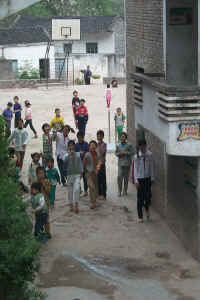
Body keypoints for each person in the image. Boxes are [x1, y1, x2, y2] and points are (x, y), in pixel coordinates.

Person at [134, 139, 154, 223]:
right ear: (139, 147)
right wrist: (136, 180)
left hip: (148, 178)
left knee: (148, 196)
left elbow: (151, 166)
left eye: (143, 146)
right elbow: (135, 168)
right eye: (140, 146)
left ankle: (146, 208)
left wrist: (152, 177)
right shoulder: (137, 156)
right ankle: (140, 216)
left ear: (145, 146)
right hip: (140, 179)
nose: (142, 147)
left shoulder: (150, 154)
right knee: (140, 198)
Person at [63, 140, 83, 213]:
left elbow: (80, 163)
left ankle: (76, 204)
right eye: (70, 145)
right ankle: (71, 204)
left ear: (74, 146)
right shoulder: (66, 155)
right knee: (70, 191)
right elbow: (64, 165)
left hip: (77, 174)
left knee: (77, 189)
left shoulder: (77, 154)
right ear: (68, 147)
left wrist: (81, 172)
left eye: (72, 145)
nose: (71, 147)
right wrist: (69, 155)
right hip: (69, 175)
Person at [83, 141, 101, 209]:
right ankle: (92, 202)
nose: (93, 146)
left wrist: (97, 169)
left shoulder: (97, 155)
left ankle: (94, 200)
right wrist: (84, 172)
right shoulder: (87, 154)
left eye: (94, 145)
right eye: (91, 145)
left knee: (95, 187)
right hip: (88, 173)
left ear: (96, 147)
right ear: (89, 147)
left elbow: (99, 163)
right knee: (91, 187)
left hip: (95, 173)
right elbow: (84, 164)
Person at [115, 132, 134, 197]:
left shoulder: (129, 145)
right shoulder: (118, 145)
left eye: (123, 137)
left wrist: (126, 153)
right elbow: (116, 153)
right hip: (120, 163)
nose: (122, 138)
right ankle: (119, 191)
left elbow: (132, 152)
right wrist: (119, 154)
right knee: (119, 177)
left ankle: (125, 190)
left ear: (126, 138)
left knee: (126, 178)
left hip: (127, 163)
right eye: (121, 137)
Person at [36, 166, 51, 238]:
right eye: (39, 173)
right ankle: (40, 232)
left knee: (46, 219)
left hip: (46, 203)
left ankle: (48, 232)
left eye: (42, 173)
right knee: (38, 219)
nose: (41, 175)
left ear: (45, 174)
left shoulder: (47, 181)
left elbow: (49, 192)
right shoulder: (35, 182)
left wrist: (44, 184)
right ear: (36, 174)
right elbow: (32, 193)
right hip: (37, 204)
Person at [75, 131, 89, 197]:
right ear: (77, 138)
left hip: (85, 164)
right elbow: (74, 153)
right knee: (78, 178)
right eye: (78, 138)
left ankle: (86, 191)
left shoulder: (86, 144)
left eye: (81, 137)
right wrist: (79, 153)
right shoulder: (76, 145)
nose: (80, 139)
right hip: (78, 164)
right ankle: (79, 190)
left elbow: (88, 153)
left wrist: (84, 153)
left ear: (83, 137)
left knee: (85, 178)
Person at [97, 130, 107, 200]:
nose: (99, 137)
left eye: (100, 135)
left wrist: (100, 145)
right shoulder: (96, 144)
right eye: (98, 135)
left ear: (103, 136)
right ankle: (99, 193)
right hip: (96, 164)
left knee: (103, 180)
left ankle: (104, 194)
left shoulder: (104, 144)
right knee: (98, 179)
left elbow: (103, 153)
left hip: (102, 164)